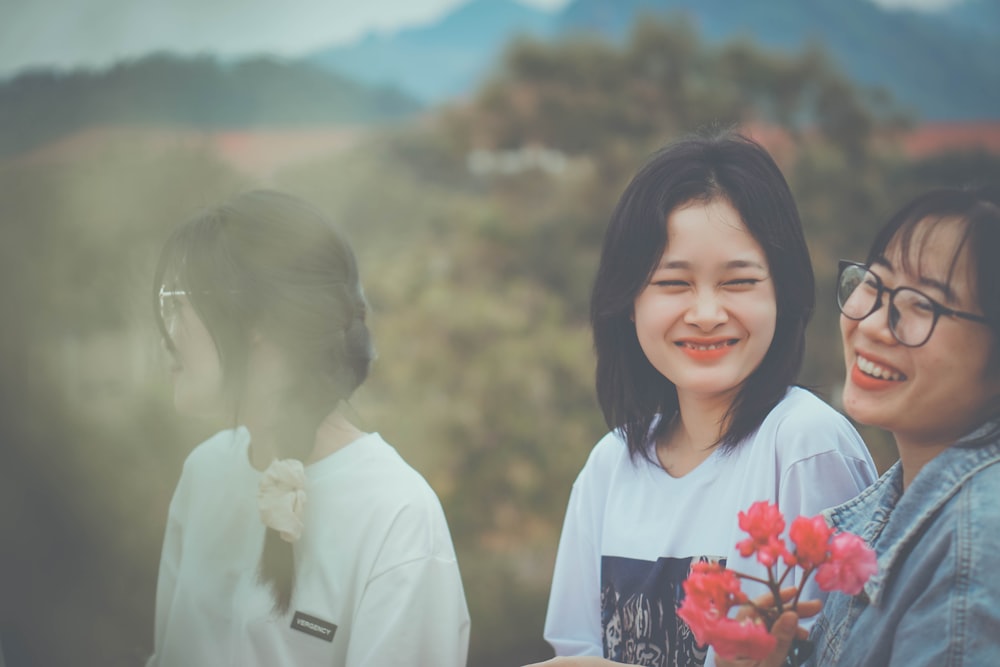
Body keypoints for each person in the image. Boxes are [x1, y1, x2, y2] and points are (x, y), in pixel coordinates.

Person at [536, 132, 877, 667]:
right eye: (674, 283)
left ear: (782, 294)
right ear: (629, 301)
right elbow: (577, 654)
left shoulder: (804, 446)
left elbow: (850, 651)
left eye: (738, 282)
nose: (706, 312)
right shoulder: (610, 466)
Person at [146, 190, 470, 666]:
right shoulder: (205, 472)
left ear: (256, 319)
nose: (165, 333)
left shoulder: (396, 513)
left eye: (179, 303)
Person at [723, 185, 1000, 667]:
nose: (872, 324)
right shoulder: (890, 513)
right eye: (874, 284)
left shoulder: (973, 550)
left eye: (923, 306)